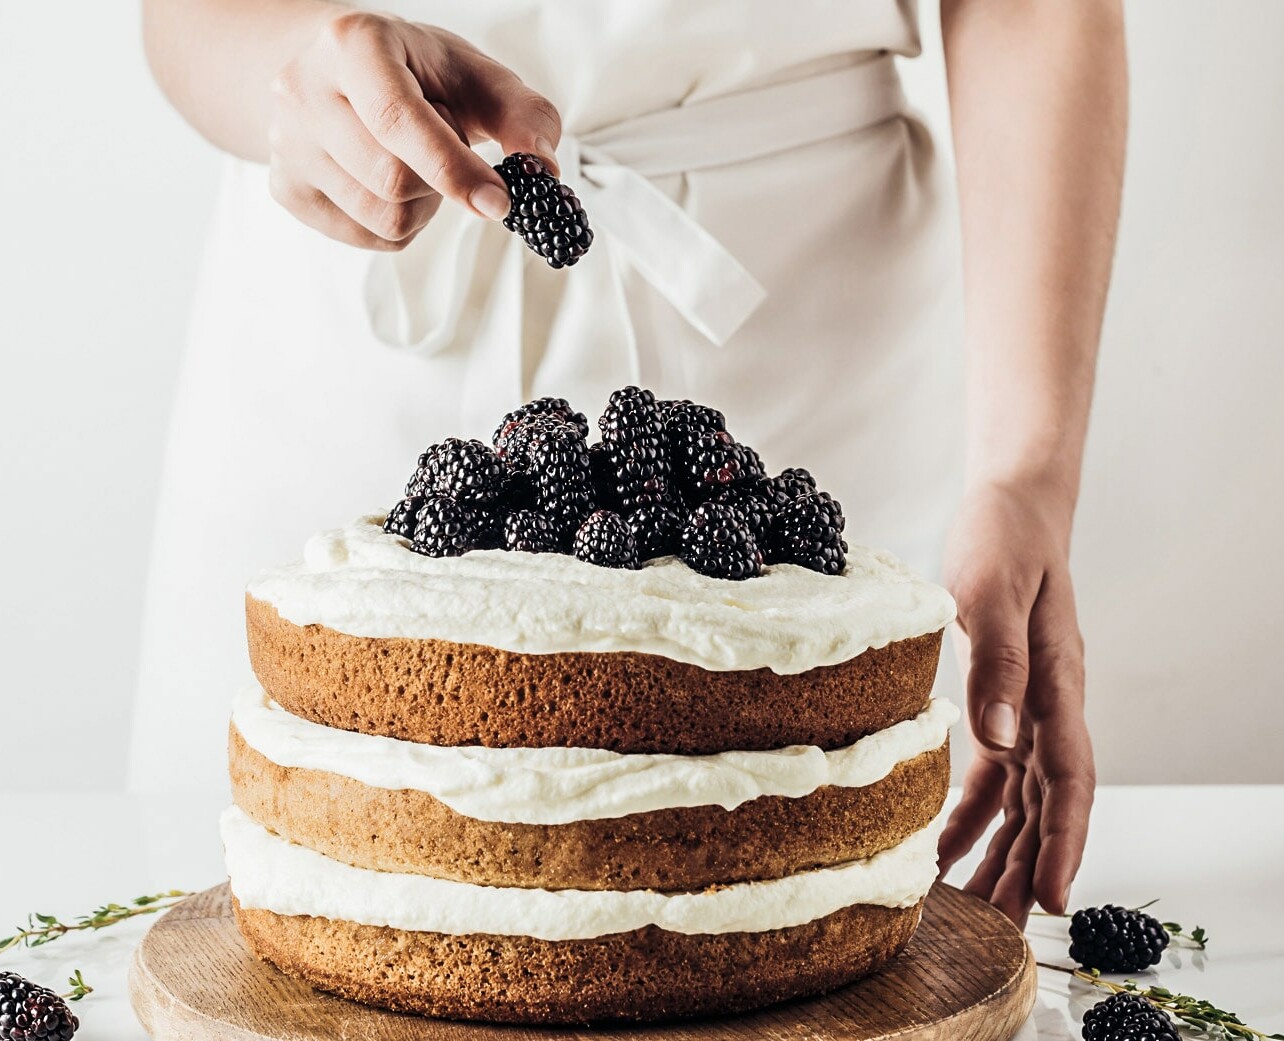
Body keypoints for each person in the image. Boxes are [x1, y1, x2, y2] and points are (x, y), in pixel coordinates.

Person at [133, 0, 1126, 926]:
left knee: (786, 896)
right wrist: (295, 79)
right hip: (347, 318)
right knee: (287, 884)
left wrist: (1022, 469)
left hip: (798, 334)